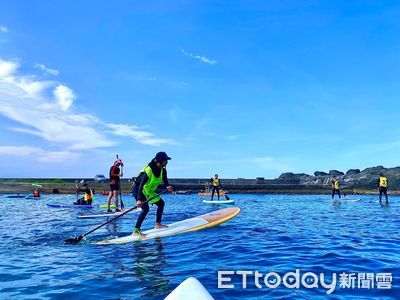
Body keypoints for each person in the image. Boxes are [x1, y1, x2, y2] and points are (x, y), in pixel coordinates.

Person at [132, 152, 173, 236]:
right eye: (165, 160)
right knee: (145, 209)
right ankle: (136, 231)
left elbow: (165, 181)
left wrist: (168, 186)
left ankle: (158, 224)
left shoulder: (163, 170)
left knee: (161, 203)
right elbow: (140, 185)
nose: (167, 162)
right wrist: (139, 199)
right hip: (138, 189)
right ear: (160, 161)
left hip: (148, 191)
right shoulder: (148, 170)